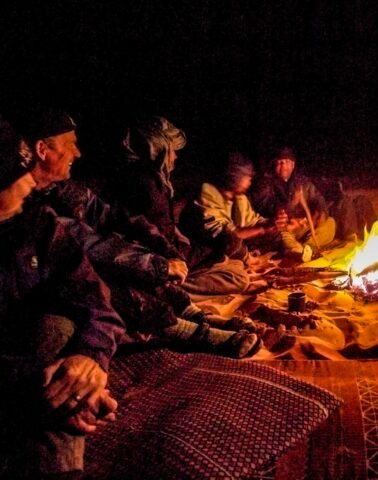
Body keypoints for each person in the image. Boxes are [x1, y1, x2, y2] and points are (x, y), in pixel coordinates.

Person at [14, 109, 260, 358]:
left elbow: (116, 216)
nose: (77, 153)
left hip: (87, 273)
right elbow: (85, 243)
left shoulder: (59, 189)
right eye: (70, 145)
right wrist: (160, 265)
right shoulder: (26, 205)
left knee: (135, 266)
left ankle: (195, 318)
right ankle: (192, 333)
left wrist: (165, 252)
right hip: (38, 295)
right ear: (42, 149)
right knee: (113, 279)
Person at [0, 114, 124, 477]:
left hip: (29, 372)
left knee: (59, 326)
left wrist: (89, 360)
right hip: (18, 380)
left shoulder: (35, 221)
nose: (27, 184)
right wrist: (52, 388)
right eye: (12, 178)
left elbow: (94, 299)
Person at [109, 116, 254, 295]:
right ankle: (174, 292)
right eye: (173, 150)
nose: (176, 156)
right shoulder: (146, 185)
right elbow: (158, 242)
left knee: (233, 264)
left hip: (171, 253)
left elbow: (166, 229)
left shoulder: (150, 180)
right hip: (160, 263)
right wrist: (216, 249)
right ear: (159, 149)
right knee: (238, 277)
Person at [180, 151, 296, 260]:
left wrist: (274, 222)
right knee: (236, 266)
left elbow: (253, 221)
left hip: (234, 245)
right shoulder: (207, 193)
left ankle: (289, 252)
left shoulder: (239, 198)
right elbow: (226, 238)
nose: (250, 181)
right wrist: (263, 229)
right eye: (247, 176)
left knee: (277, 235)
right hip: (204, 252)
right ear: (235, 176)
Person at [252, 147, 336, 257]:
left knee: (330, 223)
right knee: (282, 236)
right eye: (280, 163)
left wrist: (320, 213)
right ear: (274, 165)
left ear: (293, 165)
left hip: (303, 226)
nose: (284, 167)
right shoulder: (266, 183)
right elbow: (264, 206)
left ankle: (308, 247)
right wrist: (292, 204)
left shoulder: (302, 182)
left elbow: (318, 199)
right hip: (284, 229)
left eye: (287, 162)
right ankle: (298, 251)